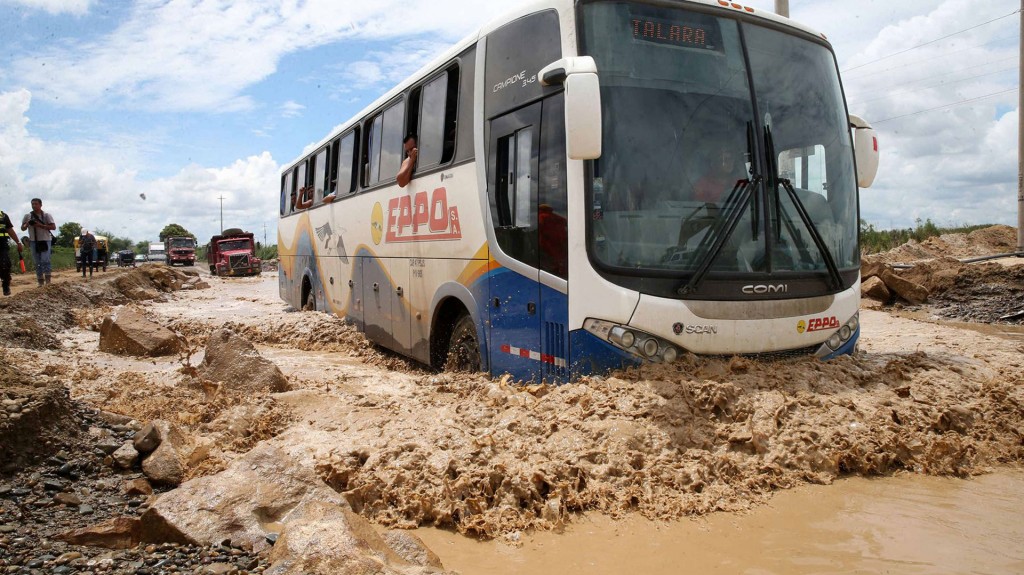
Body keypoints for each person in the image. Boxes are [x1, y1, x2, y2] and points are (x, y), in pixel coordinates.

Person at [21, 198, 56, 286]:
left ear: (40, 205)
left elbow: (53, 227)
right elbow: (22, 228)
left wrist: (40, 225)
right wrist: (27, 224)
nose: (34, 206)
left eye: (36, 204)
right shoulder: (27, 216)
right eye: (32, 204)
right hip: (33, 241)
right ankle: (40, 281)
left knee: (45, 260)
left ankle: (48, 281)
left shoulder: (46, 215)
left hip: (45, 239)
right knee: (37, 262)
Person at [0, 207, 25, 296]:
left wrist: (18, 242)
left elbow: (9, 229)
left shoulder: (3, 216)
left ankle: (6, 285)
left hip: (2, 244)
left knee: (5, 264)